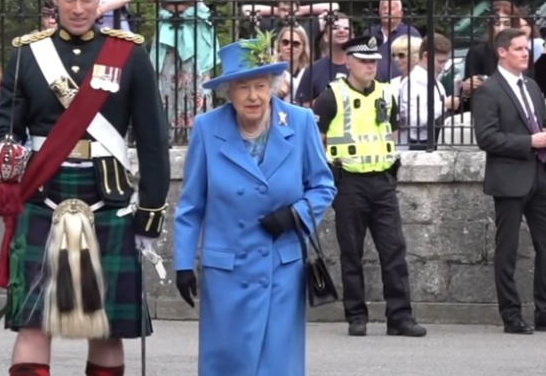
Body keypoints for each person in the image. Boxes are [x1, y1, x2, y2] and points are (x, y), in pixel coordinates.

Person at [0, 0, 170, 376]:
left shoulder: (129, 55)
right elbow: (4, 129)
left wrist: (151, 209)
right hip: (43, 194)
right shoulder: (28, 55)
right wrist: (5, 153)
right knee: (33, 324)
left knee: (106, 327)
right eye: (70, 0)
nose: (79, 8)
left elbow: (152, 140)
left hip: (108, 199)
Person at [172, 32, 337, 375]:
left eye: (260, 86)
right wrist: (184, 263)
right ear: (227, 92)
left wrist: (295, 215)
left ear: (273, 86)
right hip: (226, 272)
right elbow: (191, 206)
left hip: (282, 269)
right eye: (243, 87)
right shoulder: (206, 128)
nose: (253, 96)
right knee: (229, 364)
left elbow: (323, 186)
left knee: (277, 364)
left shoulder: (300, 122)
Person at [312, 35, 427, 338]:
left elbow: (390, 133)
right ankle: (356, 316)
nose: (370, 66)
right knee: (351, 253)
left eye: (374, 61)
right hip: (348, 184)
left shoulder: (387, 94)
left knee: (394, 252)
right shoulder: (331, 97)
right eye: (363, 61)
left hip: (382, 182)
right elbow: (315, 144)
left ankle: (400, 317)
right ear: (348, 62)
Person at [472, 27, 546, 335]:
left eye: (526, 48)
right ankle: (511, 315)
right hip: (509, 178)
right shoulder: (489, 90)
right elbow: (487, 138)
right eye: (518, 49)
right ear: (502, 52)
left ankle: (543, 311)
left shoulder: (531, 86)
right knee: (508, 250)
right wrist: (530, 141)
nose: (525, 53)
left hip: (539, 176)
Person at [144, 0, 218, 144]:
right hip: (168, 24)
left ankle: (197, 137)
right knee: (165, 81)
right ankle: (167, 134)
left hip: (191, 22)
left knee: (195, 81)